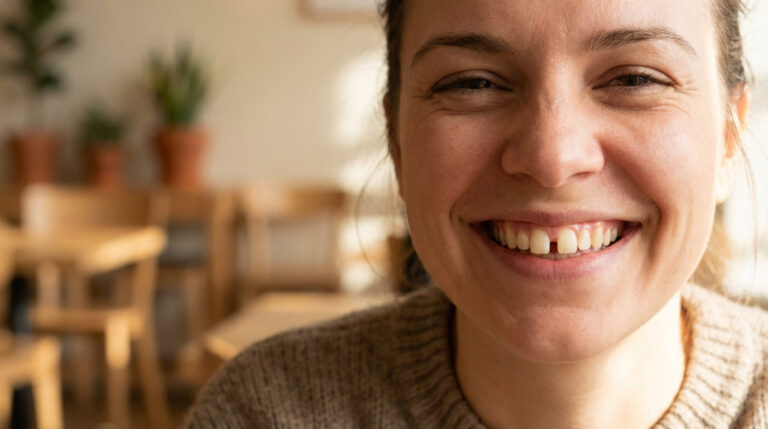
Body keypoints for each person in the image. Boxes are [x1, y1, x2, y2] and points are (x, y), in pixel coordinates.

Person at [185, 0, 767, 427]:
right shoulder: (266, 412)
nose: (551, 156)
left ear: (727, 135)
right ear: (396, 139)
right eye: (471, 83)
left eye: (636, 78)